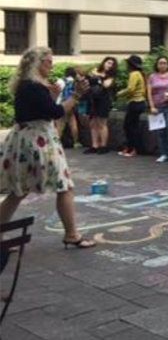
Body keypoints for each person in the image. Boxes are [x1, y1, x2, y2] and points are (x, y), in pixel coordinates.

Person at [0, 47, 96, 249]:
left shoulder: (27, 85)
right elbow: (55, 112)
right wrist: (76, 95)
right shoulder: (34, 86)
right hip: (39, 141)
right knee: (64, 185)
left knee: (18, 190)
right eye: (49, 62)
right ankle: (72, 234)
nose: (52, 66)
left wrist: (53, 94)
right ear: (37, 63)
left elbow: (40, 110)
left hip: (25, 140)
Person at [85, 56, 117, 154]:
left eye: (112, 64)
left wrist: (99, 76)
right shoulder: (95, 70)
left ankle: (103, 146)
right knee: (93, 123)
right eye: (108, 62)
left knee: (102, 123)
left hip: (103, 100)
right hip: (92, 99)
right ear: (104, 62)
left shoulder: (110, 76)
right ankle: (94, 145)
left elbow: (106, 85)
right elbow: (87, 81)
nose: (109, 65)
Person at [117, 55, 148, 157]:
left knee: (130, 127)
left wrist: (120, 93)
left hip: (135, 102)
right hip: (139, 102)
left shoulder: (134, 74)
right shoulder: (140, 73)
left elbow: (131, 89)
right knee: (131, 126)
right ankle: (130, 148)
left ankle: (133, 149)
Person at [55, 67, 80, 149]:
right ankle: (76, 142)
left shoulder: (61, 80)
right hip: (71, 103)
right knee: (73, 123)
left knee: (60, 124)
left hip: (62, 104)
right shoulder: (75, 81)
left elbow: (56, 92)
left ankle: (57, 142)